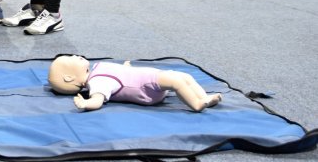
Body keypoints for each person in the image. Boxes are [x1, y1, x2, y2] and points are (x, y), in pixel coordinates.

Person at [48, 55, 222, 112]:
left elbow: (118, 74)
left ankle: (203, 96)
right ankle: (197, 104)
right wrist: (86, 103)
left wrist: (125, 68)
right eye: (71, 58)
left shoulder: (96, 69)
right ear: (69, 78)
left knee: (185, 76)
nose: (75, 56)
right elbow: (98, 100)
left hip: (148, 79)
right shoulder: (96, 83)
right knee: (177, 82)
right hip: (147, 88)